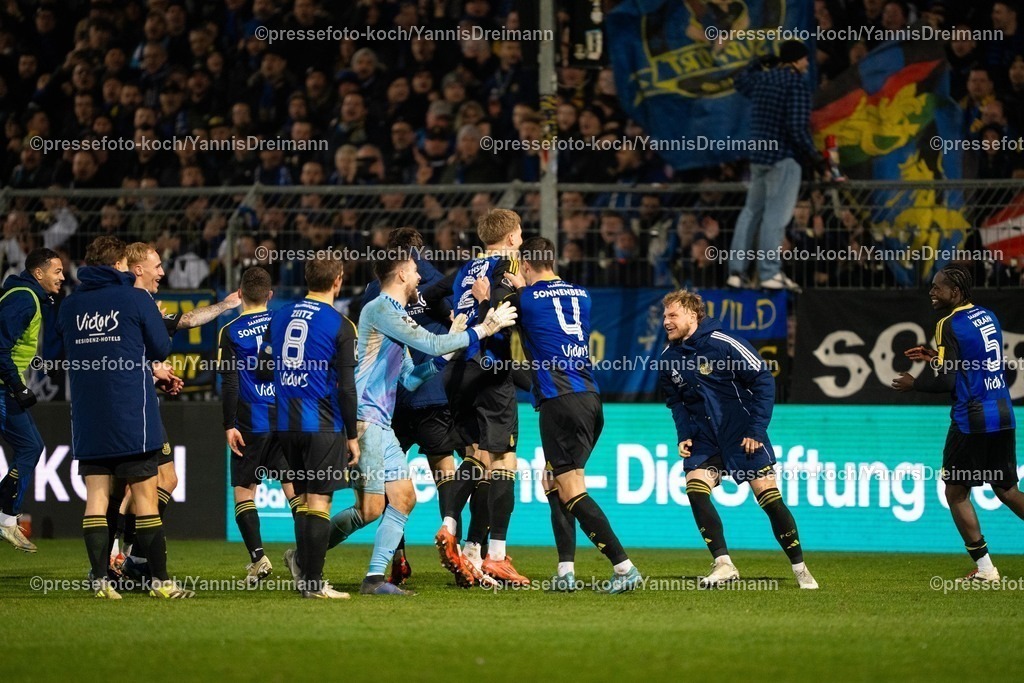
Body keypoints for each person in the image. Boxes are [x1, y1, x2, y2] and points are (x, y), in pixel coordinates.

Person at [325, 247, 517, 596]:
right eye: (414, 271)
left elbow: (412, 377)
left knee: (402, 498)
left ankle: (373, 580)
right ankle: (307, 555)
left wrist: (446, 354)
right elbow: (428, 340)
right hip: (365, 419)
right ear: (400, 274)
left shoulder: (395, 314)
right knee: (369, 510)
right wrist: (482, 329)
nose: (418, 277)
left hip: (380, 423)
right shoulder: (381, 308)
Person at [57, 236, 193, 599]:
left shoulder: (69, 306)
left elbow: (56, 351)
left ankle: (100, 581)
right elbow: (161, 348)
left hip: (88, 416)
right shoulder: (135, 298)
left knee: (98, 497)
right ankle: (161, 584)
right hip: (132, 415)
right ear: (118, 264)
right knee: (146, 496)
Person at [659, 290, 818, 589]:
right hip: (704, 437)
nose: (665, 321)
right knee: (695, 488)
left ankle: (800, 568)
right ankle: (723, 563)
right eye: (664, 316)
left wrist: (756, 430)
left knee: (768, 497)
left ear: (692, 315)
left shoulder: (724, 344)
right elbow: (676, 402)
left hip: (741, 434)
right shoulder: (668, 358)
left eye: (672, 315)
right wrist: (684, 435)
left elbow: (763, 379)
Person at [511, 236, 642, 594]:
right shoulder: (581, 295)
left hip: (559, 401)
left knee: (570, 489)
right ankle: (565, 571)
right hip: (590, 398)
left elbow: (509, 312)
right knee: (553, 482)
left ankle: (624, 567)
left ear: (525, 264)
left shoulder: (523, 299)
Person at [113, 242, 241, 578]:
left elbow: (185, 320)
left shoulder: (147, 307)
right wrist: (151, 369)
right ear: (136, 269)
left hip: (143, 404)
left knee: (162, 480)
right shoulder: (124, 304)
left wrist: (225, 305)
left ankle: (130, 557)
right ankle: (122, 557)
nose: (162, 272)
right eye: (156, 266)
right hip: (129, 409)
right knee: (130, 486)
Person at [892, 264, 1023, 581]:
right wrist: (936, 356)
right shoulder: (987, 315)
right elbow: (973, 360)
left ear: (957, 291)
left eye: (938, 287)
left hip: (971, 420)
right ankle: (985, 569)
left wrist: (915, 383)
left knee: (956, 493)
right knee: (1006, 490)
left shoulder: (946, 324)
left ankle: (986, 570)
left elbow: (949, 382)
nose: (932, 292)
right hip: (1002, 412)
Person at [425, 208, 529, 586]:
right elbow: (503, 311)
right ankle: (497, 555)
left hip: (454, 369)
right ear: (513, 237)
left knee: (476, 458)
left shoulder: (468, 269)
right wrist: (514, 294)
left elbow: (427, 296)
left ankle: (460, 537)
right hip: (489, 366)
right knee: (504, 459)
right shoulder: (508, 263)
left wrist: (450, 316)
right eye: (519, 234)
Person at [264, 257, 359, 599]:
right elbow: (347, 389)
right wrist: (352, 435)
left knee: (303, 501)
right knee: (319, 503)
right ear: (338, 280)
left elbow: (263, 364)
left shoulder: (279, 314)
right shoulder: (341, 325)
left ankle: (305, 579)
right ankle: (314, 584)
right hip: (321, 422)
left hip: (285, 421)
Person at [726, 40, 827, 291]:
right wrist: (814, 156)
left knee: (750, 213)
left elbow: (739, 81)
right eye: (804, 59)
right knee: (776, 217)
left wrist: (758, 62)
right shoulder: (796, 84)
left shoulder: (763, 79)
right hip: (783, 159)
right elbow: (796, 126)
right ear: (795, 60)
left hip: (759, 159)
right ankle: (769, 272)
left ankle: (736, 272)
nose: (806, 64)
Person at [218, 265, 297, 585]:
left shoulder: (231, 330)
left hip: (251, 421)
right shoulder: (285, 324)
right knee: (296, 491)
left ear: (239, 294)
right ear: (270, 295)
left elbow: (230, 383)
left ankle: (258, 558)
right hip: (287, 418)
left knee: (243, 491)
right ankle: (304, 557)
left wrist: (228, 424)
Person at [0, 248, 64, 552]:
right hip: (3, 387)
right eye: (57, 271)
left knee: (31, 446)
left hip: (5, 387)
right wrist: (17, 386)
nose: (63, 277)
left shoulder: (28, 297)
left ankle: (7, 519)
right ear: (38, 273)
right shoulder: (23, 298)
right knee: (30, 446)